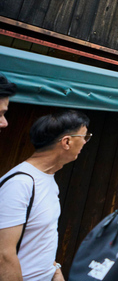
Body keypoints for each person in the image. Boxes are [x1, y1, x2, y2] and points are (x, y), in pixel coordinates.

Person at [0, 110, 90, 281]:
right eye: (84, 137)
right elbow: (3, 256)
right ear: (67, 142)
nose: (86, 142)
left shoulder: (48, 180)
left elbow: (39, 238)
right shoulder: (20, 184)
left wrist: (55, 271)